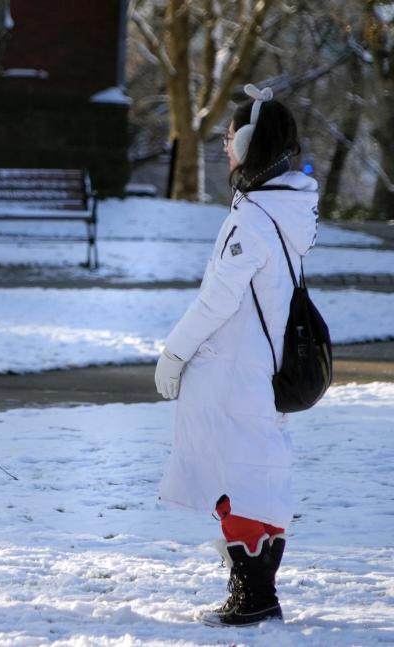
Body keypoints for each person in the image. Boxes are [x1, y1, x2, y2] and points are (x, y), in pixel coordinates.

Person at [154, 84, 319, 627]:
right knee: (259, 476)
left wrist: (174, 353)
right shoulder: (287, 212)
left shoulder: (250, 221)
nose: (225, 148)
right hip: (260, 368)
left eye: (230, 139)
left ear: (250, 146)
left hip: (233, 370)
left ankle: (251, 598)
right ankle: (257, 595)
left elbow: (215, 301)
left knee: (234, 478)